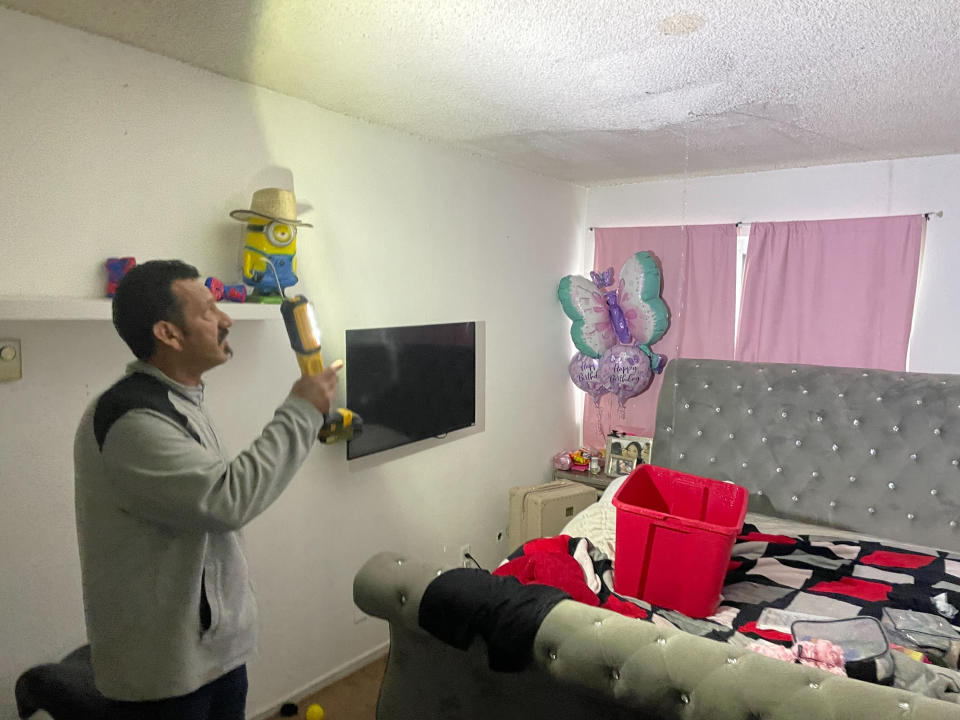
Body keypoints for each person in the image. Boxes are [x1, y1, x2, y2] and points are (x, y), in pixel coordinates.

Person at [74, 260, 341, 719]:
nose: (226, 319)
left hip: (214, 654)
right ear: (168, 334)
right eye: (208, 311)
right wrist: (301, 411)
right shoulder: (131, 419)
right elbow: (227, 499)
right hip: (162, 676)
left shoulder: (179, 398)